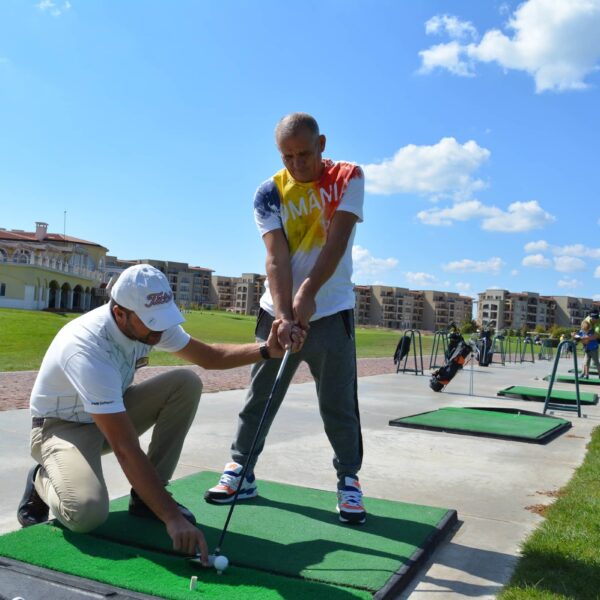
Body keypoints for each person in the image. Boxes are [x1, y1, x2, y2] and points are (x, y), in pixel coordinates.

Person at [17, 264, 303, 564]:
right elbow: (125, 448)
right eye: (152, 322)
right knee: (86, 513)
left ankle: (147, 500)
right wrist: (171, 518)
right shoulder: (87, 348)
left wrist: (266, 351)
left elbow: (209, 356)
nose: (160, 330)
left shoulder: (147, 325)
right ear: (119, 313)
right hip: (59, 429)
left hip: (106, 416)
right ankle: (42, 477)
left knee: (185, 383)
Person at [204, 112, 367, 525]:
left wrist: (307, 296)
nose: (297, 164)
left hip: (331, 313)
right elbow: (275, 257)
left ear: (322, 144)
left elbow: (336, 242)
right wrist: (283, 315)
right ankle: (242, 470)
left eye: (305, 154)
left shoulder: (348, 177)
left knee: (338, 403)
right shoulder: (268, 192)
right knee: (260, 395)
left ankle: (348, 480)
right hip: (276, 312)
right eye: (288, 156)